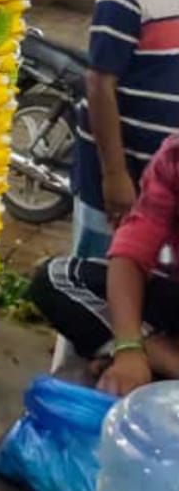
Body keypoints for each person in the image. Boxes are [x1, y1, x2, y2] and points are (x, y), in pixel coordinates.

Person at [73, 0, 179, 258]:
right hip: (125, 179)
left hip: (168, 183)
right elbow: (100, 85)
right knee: (99, 279)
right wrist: (115, 176)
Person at [33, 132, 179, 397]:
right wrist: (129, 348)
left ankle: (163, 360)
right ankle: (151, 353)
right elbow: (133, 251)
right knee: (58, 278)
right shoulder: (175, 155)